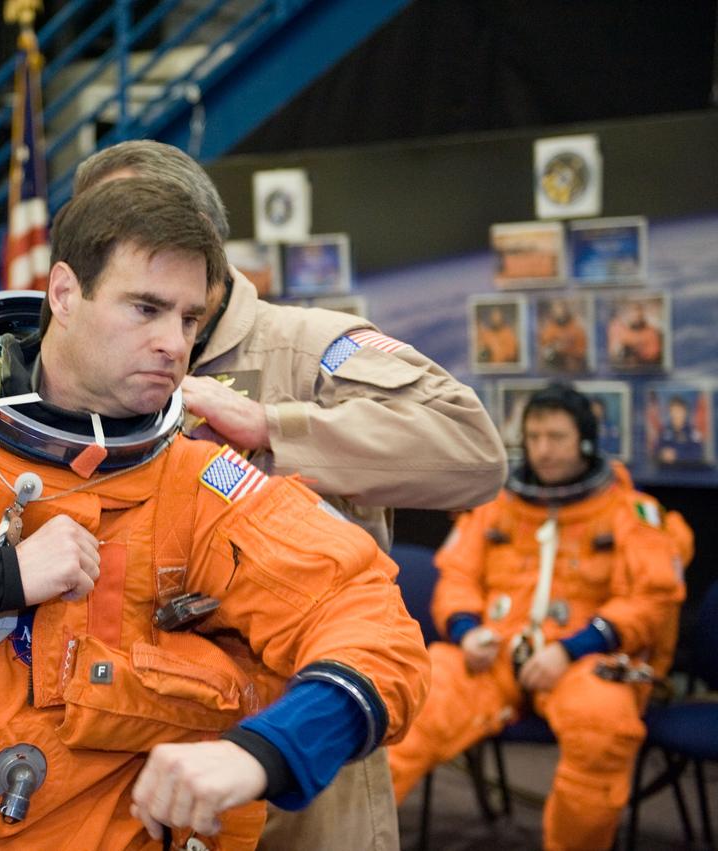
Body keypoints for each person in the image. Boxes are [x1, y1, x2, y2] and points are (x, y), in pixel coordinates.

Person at [0, 177, 429, 850]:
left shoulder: (197, 482)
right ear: (63, 291)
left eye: (190, 318)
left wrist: (263, 752)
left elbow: (370, 617)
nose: (174, 344)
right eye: (145, 308)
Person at [72, 140, 508, 851]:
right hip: (131, 737)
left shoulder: (309, 346)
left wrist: (276, 427)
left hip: (297, 733)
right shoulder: (82, 359)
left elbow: (474, 452)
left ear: (207, 240)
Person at [387, 383, 691, 851]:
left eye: (556, 437)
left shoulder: (631, 513)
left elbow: (652, 600)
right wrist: (466, 631)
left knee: (603, 724)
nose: (542, 450)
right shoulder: (496, 506)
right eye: (533, 437)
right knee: (407, 704)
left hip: (583, 659)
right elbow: (457, 579)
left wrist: (572, 650)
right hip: (492, 655)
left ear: (586, 441)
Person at [537, 298, 588, 373]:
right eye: (557, 308)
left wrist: (570, 354)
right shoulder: (548, 329)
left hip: (573, 369)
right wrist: (554, 348)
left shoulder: (576, 328)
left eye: (562, 307)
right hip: (553, 367)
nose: (560, 311)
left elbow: (581, 351)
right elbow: (545, 352)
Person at [607, 300, 662, 369]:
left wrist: (637, 352)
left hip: (644, 369)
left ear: (642, 315)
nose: (636, 317)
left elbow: (654, 354)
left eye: (638, 314)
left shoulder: (651, 333)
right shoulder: (618, 330)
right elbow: (612, 352)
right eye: (633, 313)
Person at [655, 395, 705, 466]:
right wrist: (663, 454)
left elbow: (697, 453)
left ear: (685, 412)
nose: (676, 414)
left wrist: (677, 455)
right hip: (666, 472)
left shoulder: (693, 432)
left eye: (679, 411)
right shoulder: (664, 431)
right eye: (673, 411)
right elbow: (656, 450)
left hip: (687, 472)